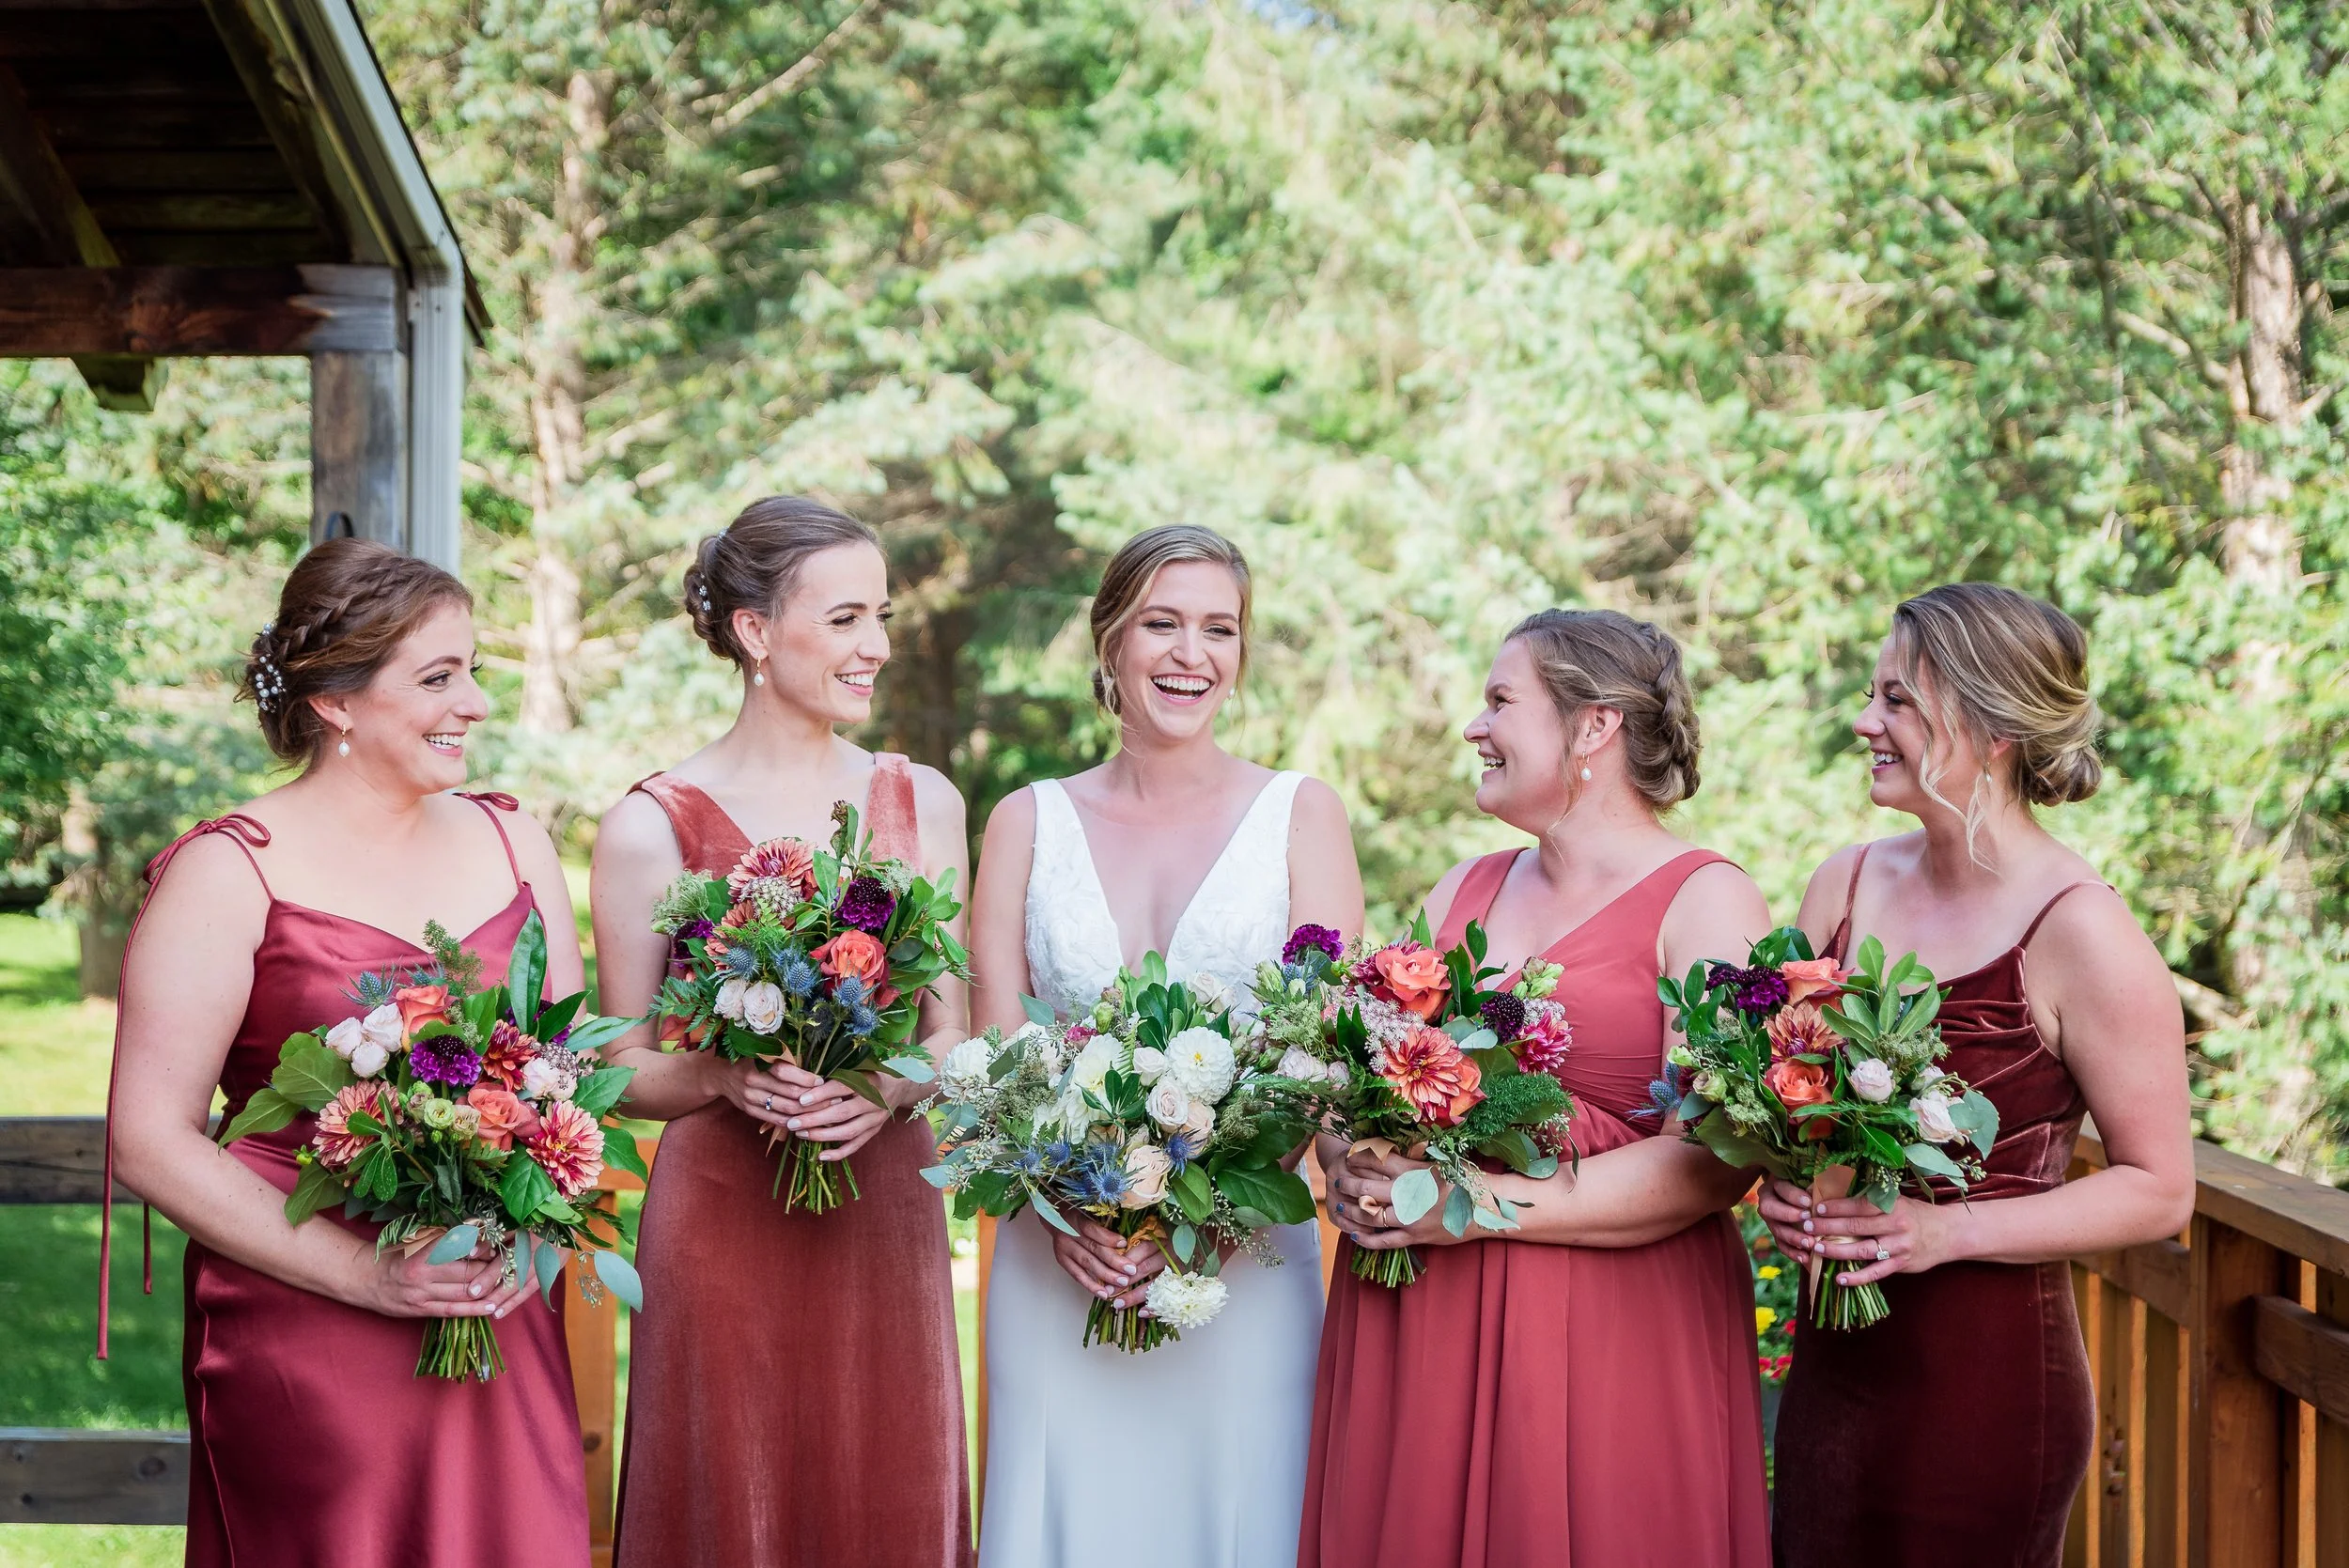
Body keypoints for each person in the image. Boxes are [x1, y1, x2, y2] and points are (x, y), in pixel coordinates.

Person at [104, 539, 590, 1566]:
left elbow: (564, 1073)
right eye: (437, 677)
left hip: (492, 1306)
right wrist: (366, 1274)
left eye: (474, 671)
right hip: (305, 1324)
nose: (476, 703)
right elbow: (149, 1139)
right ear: (336, 702)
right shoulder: (228, 870)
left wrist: (522, 1206)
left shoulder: (514, 841)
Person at [1308, 608, 1773, 1568]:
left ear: (1593, 725)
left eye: (1499, 701)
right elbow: (1366, 1078)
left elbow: (1713, 1161)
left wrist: (1469, 1206)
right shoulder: (1459, 890)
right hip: (1423, 1321)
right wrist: (1345, 1148)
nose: (1474, 727)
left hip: (1613, 1330)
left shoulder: (1706, 900)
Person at [1762, 582, 2193, 1568]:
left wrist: (1944, 1228)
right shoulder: (1844, 882)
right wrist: (1785, 1182)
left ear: (1989, 726)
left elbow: (2160, 1188)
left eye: (1897, 700)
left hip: (1984, 1384)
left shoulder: (2083, 931)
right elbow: (1791, 1092)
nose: (1864, 720)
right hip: (1834, 1364)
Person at [965, 523, 1363, 1568]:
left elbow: (1319, 1058)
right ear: (1109, 642)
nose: (1192, 653)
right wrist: (1064, 1213)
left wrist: (1206, 1217)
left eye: (1219, 629)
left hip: (1240, 1262)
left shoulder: (1300, 814)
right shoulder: (1025, 819)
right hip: (1064, 1262)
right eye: (1162, 623)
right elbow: (994, 1049)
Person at [594, 496, 972, 1567]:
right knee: (729, 1491)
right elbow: (616, 1068)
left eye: (882, 615)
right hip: (722, 1224)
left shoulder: (922, 800)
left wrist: (889, 1088)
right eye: (847, 617)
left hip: (884, 1207)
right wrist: (718, 1073)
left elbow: (956, 1037)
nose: (879, 647)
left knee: (886, 1488)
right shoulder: (647, 824)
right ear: (756, 632)